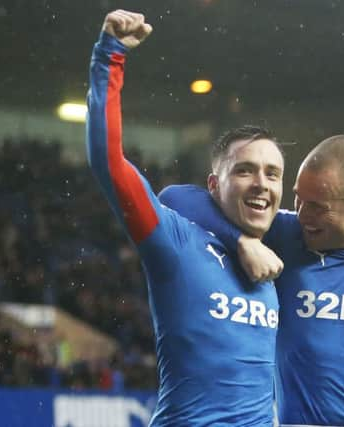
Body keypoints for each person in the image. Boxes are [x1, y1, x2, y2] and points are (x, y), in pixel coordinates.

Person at [86, 10, 285, 425]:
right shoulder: (176, 242)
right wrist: (110, 57)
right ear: (214, 185)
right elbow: (111, 163)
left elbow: (342, 220)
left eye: (273, 173)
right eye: (245, 170)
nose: (262, 184)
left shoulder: (284, 243)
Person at [161, 135, 344, 426]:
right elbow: (174, 198)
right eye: (298, 199)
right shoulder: (285, 235)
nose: (303, 215)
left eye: (318, 206)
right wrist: (242, 240)